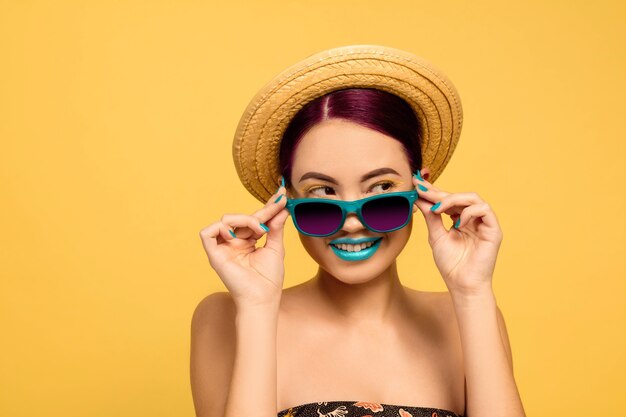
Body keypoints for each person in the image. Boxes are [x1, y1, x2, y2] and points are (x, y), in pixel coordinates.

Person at [191, 45, 526, 417]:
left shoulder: (467, 316)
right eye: (323, 193)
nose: (353, 221)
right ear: (284, 200)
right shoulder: (226, 319)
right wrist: (256, 306)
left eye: (381, 189)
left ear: (420, 188)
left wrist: (472, 290)